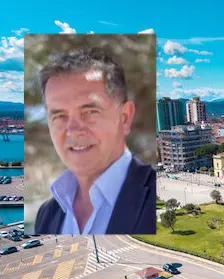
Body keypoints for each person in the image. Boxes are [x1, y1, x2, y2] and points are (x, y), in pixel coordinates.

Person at [34, 48, 156, 235]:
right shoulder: (47, 214)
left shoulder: (155, 198)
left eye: (90, 112)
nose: (73, 131)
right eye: (59, 115)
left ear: (124, 117)